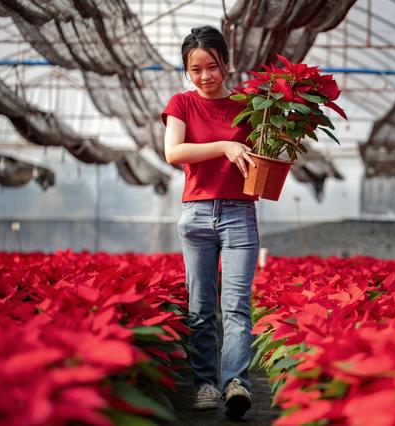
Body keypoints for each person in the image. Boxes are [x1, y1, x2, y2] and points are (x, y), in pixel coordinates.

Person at [161, 25, 259, 419]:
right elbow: (174, 152)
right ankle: (204, 383)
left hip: (239, 212)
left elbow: (271, 147)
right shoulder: (181, 104)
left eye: (212, 66)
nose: (205, 76)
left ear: (226, 63)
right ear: (187, 71)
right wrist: (225, 145)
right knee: (201, 308)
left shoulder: (250, 105)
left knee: (236, 307)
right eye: (195, 69)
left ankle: (236, 383)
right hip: (197, 214)